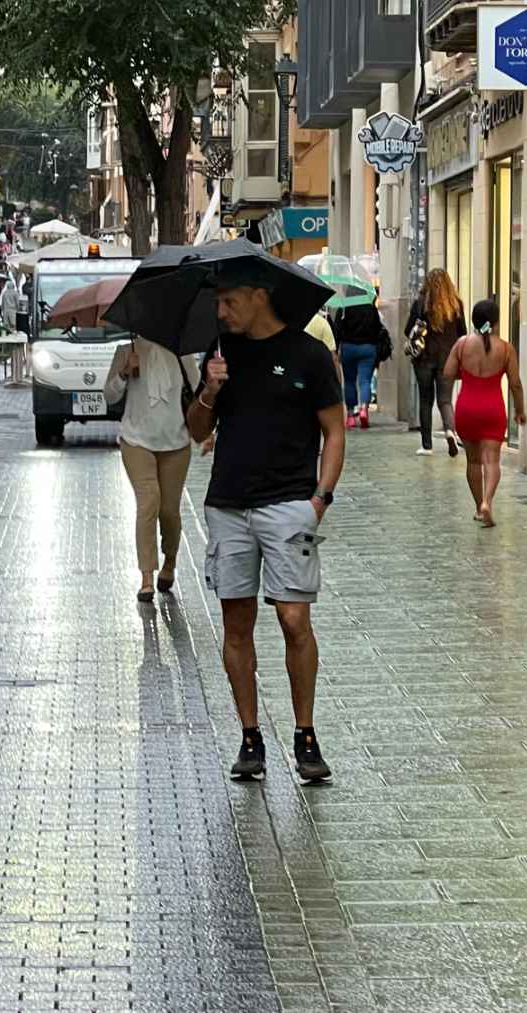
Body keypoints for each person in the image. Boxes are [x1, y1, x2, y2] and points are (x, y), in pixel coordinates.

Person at [185, 263, 345, 786]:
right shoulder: (220, 357)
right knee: (237, 625)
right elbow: (196, 430)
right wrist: (209, 390)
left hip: (289, 506)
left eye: (229, 301)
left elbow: (334, 431)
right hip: (229, 505)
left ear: (258, 296)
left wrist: (319, 499)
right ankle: (250, 737)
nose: (221, 311)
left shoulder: (309, 355)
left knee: (295, 620)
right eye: (218, 304)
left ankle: (305, 734)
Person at [106, 336, 201, 603]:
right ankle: (147, 576)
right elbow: (110, 395)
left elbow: (198, 393)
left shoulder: (182, 352)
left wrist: (207, 431)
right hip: (135, 440)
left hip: (176, 443)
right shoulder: (127, 350)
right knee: (149, 502)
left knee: (169, 510)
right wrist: (124, 372)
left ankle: (170, 561)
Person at [444, 299, 525, 528]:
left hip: (467, 407)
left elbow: (448, 373)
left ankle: (478, 505)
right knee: (492, 460)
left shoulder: (462, 344)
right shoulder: (506, 349)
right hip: (493, 409)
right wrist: (520, 410)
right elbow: (516, 384)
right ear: (497, 321)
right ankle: (488, 502)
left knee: (473, 461)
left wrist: (466, 372)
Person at [406, 268, 466, 457]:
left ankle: (427, 445)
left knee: (425, 400)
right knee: (445, 400)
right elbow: (462, 333)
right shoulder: (456, 305)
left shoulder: (420, 304)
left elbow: (408, 329)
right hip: (447, 360)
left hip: (423, 359)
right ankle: (450, 431)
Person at [333, 299, 390, 429]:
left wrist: (336, 349)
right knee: (365, 381)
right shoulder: (370, 308)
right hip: (368, 348)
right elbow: (378, 327)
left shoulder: (344, 307)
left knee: (349, 381)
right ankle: (364, 409)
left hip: (348, 347)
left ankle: (350, 416)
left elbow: (337, 328)